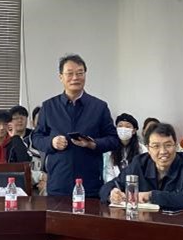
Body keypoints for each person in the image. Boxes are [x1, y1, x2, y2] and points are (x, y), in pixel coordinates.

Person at [32, 54, 119, 197]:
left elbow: (114, 139)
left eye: (80, 73)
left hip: (89, 182)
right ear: (61, 77)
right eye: (70, 73)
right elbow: (36, 138)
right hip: (58, 181)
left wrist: (93, 144)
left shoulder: (99, 107)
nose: (75, 78)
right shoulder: (49, 106)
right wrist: (52, 142)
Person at [100, 123, 183, 210]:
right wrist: (112, 193)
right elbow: (108, 187)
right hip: (145, 222)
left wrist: (150, 196)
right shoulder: (139, 163)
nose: (163, 151)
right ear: (148, 149)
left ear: (176, 146)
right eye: (156, 146)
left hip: (178, 223)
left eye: (168, 145)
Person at [102, 113, 147, 183]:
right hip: (115, 186)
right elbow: (108, 173)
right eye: (120, 126)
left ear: (134, 131)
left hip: (137, 185)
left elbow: (145, 171)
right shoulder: (110, 149)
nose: (123, 129)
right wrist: (114, 186)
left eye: (128, 126)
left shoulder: (142, 149)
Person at [9, 105, 44, 188]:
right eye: (16, 118)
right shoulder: (6, 139)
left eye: (22, 117)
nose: (19, 120)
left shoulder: (36, 137)